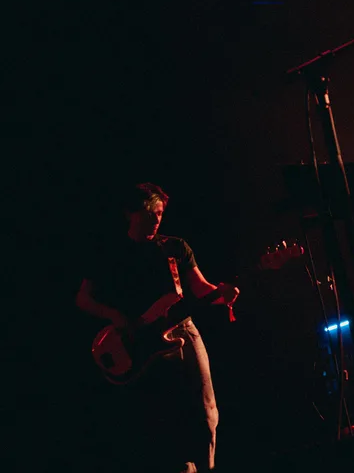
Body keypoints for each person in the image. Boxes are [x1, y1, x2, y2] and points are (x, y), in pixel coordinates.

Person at [76, 183, 239, 472]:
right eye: (150, 212)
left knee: (206, 410)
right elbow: (83, 298)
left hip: (183, 330)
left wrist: (222, 294)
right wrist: (115, 316)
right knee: (163, 417)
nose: (156, 219)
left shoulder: (174, 247)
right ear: (130, 213)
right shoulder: (111, 253)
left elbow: (201, 288)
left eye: (160, 213)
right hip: (140, 342)